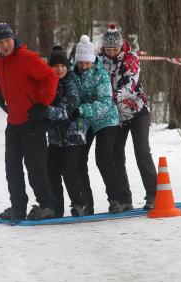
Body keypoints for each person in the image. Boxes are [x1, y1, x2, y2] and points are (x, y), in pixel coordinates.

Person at [0, 23, 59, 220]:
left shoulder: (26, 58)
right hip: (13, 123)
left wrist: (43, 104)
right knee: (12, 168)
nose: (5, 45)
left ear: (14, 38)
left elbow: (50, 77)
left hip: (32, 121)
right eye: (0, 42)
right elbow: (3, 79)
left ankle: (47, 205)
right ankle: (18, 207)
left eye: (7, 40)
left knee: (35, 166)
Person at [99, 24, 157, 210]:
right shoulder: (99, 60)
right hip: (116, 115)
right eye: (108, 49)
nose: (112, 52)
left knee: (141, 151)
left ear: (121, 45)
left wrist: (111, 97)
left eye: (115, 49)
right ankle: (124, 199)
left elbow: (131, 84)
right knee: (116, 154)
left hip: (137, 111)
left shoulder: (131, 58)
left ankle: (154, 194)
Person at [71, 35, 130, 214]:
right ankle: (86, 204)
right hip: (86, 120)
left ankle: (116, 199)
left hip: (106, 118)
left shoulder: (101, 74)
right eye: (81, 63)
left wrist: (81, 110)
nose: (84, 66)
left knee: (103, 157)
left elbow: (105, 102)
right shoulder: (72, 75)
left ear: (92, 61)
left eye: (87, 63)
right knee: (79, 160)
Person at [45, 46, 88, 218]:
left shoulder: (72, 84)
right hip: (55, 137)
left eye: (63, 66)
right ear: (50, 68)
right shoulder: (48, 85)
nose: (60, 69)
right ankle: (57, 207)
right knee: (52, 170)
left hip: (73, 134)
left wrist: (44, 111)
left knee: (69, 169)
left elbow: (67, 110)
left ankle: (79, 204)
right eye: (56, 66)